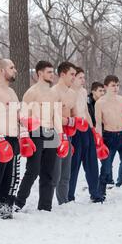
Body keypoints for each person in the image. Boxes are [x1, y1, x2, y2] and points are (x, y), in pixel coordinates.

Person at [0, 59, 35, 220]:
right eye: (12, 67)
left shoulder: (11, 92)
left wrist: (24, 136)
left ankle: (5, 209)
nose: (15, 70)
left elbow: (19, 116)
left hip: (13, 140)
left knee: (11, 178)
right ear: (2, 70)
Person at [14, 61, 63, 212]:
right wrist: (23, 136)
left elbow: (57, 116)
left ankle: (45, 206)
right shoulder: (32, 92)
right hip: (35, 131)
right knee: (33, 169)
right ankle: (19, 202)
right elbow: (22, 116)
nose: (52, 75)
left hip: (51, 132)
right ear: (40, 73)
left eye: (52, 72)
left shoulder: (54, 93)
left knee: (49, 172)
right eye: (49, 72)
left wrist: (61, 136)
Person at [51, 62, 89, 205]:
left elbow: (75, 116)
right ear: (62, 74)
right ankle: (46, 203)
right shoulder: (53, 92)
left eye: (75, 74)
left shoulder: (73, 94)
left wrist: (76, 123)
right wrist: (71, 122)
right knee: (55, 173)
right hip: (54, 135)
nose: (74, 77)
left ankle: (64, 202)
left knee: (66, 174)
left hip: (68, 135)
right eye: (72, 74)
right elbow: (53, 117)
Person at [68, 67, 99, 201]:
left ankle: (95, 194)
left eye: (83, 77)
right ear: (73, 78)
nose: (83, 80)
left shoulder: (83, 91)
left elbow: (86, 111)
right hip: (74, 130)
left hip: (86, 128)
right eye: (80, 77)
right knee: (74, 165)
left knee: (92, 163)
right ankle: (69, 196)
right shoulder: (68, 92)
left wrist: (93, 129)